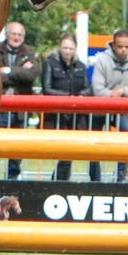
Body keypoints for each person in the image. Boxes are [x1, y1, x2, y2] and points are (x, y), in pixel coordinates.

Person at [0, 21, 40, 180]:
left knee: (16, 151)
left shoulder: (30, 52)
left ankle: (12, 183)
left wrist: (7, 71)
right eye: (13, 34)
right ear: (7, 34)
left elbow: (31, 75)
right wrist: (20, 72)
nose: (16, 37)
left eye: (20, 35)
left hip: (19, 112)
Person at [91, 30, 128, 183]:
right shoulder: (102, 61)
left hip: (119, 108)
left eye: (127, 47)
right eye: (120, 46)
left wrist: (124, 91)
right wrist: (112, 95)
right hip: (100, 107)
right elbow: (97, 90)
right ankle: (94, 180)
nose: (123, 50)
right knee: (93, 142)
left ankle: (120, 177)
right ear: (114, 45)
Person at [40, 33, 91, 181]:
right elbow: (47, 89)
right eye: (65, 48)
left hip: (75, 116)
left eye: (70, 48)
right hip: (56, 115)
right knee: (64, 153)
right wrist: (68, 97)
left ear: (75, 48)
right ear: (60, 47)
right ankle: (58, 182)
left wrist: (80, 96)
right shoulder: (51, 63)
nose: (67, 51)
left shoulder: (81, 66)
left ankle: (59, 182)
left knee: (70, 153)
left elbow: (88, 88)